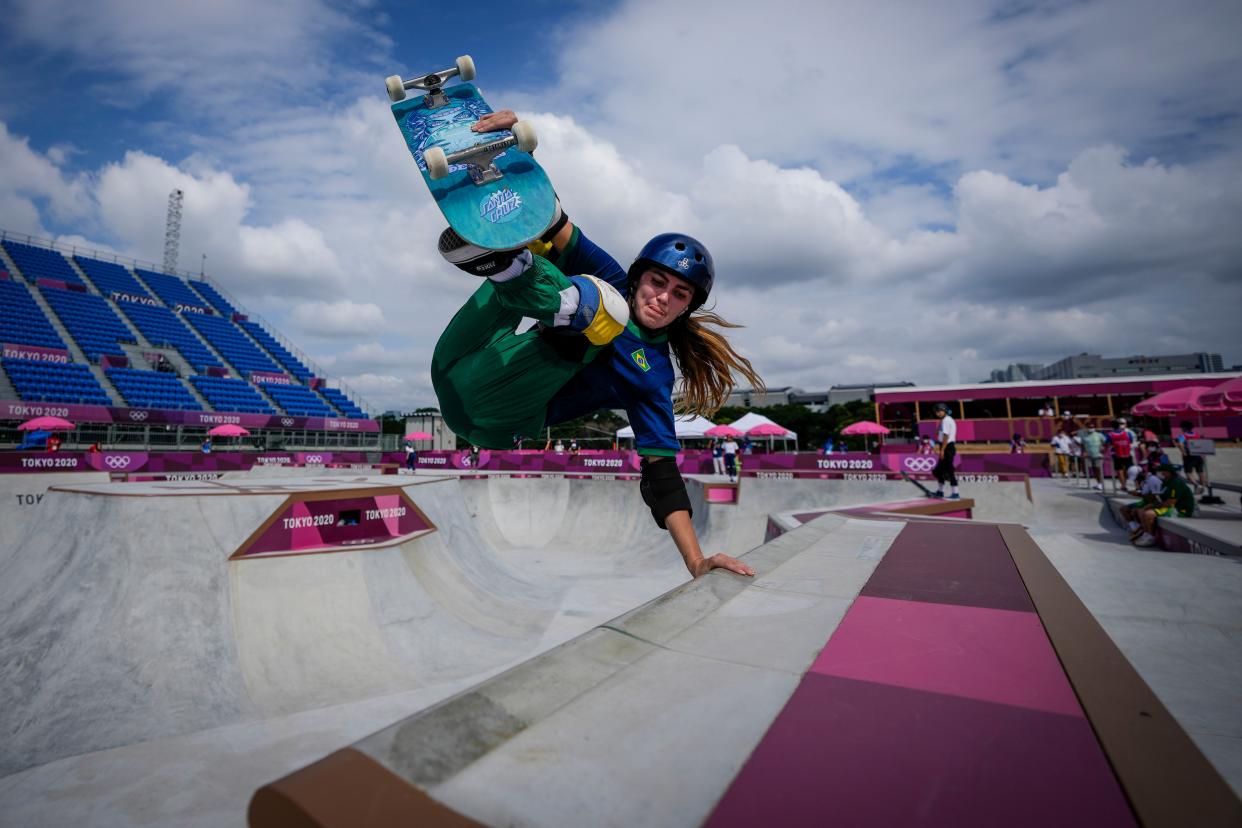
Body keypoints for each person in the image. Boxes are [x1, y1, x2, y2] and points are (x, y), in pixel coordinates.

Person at [432, 109, 764, 578]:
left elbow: (662, 476)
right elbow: (550, 217)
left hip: (499, 413)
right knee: (544, 245)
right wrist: (508, 152)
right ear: (639, 276)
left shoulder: (654, 373)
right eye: (655, 282)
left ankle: (514, 267)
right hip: (457, 367)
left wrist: (696, 560)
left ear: (687, 307)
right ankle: (503, 256)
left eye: (679, 294)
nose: (662, 297)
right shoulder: (609, 272)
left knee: (603, 310)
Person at [1132, 463, 1197, 548]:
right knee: (1141, 510)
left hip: (1180, 510)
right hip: (1171, 506)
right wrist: (1151, 504)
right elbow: (1160, 498)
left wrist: (1155, 506)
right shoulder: (1167, 482)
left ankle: (1151, 538)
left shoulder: (1176, 483)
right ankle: (1146, 533)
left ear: (1169, 472)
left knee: (1148, 514)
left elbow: (1170, 503)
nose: (1161, 473)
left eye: (1163, 471)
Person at [1121, 462, 1165, 541]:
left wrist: (1139, 494)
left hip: (1153, 502)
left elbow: (1156, 496)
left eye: (1137, 477)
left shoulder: (1152, 480)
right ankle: (1135, 529)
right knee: (1124, 509)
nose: (1136, 480)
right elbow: (1145, 494)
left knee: (1138, 511)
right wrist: (1136, 493)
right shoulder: (1143, 481)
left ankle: (1147, 533)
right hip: (1145, 501)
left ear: (1141, 473)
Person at [930, 402, 959, 499]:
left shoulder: (946, 420)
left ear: (944, 410)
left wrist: (942, 450)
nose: (937, 413)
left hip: (947, 447)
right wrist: (939, 424)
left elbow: (946, 436)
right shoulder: (946, 420)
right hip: (946, 446)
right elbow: (937, 433)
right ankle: (940, 491)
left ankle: (955, 493)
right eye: (936, 412)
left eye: (939, 411)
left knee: (949, 471)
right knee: (938, 471)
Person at [1176, 420, 1210, 494]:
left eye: (1182, 427)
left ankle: (1196, 485)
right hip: (1199, 455)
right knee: (1200, 471)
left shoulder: (1183, 436)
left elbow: (1180, 444)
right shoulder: (1197, 435)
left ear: (1184, 428)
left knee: (1188, 472)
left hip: (1189, 456)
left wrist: (1183, 452)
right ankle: (1203, 486)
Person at [1105, 418, 1136, 492]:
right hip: (1119, 455)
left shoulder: (1128, 433)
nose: (1122, 425)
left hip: (1125, 454)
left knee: (1127, 470)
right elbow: (1131, 442)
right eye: (1121, 424)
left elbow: (1107, 444)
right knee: (1121, 470)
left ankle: (1130, 485)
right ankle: (1124, 485)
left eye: (1123, 423)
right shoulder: (1128, 433)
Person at [1077, 421, 1106, 491]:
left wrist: (1103, 450)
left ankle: (1101, 484)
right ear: (1086, 428)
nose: (1091, 428)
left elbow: (1105, 443)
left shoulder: (1099, 435)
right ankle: (1098, 483)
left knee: (1098, 469)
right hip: (1089, 455)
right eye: (1089, 427)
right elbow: (1082, 445)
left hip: (1098, 455)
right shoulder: (1084, 435)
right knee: (1093, 470)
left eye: (1092, 427)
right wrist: (1084, 452)